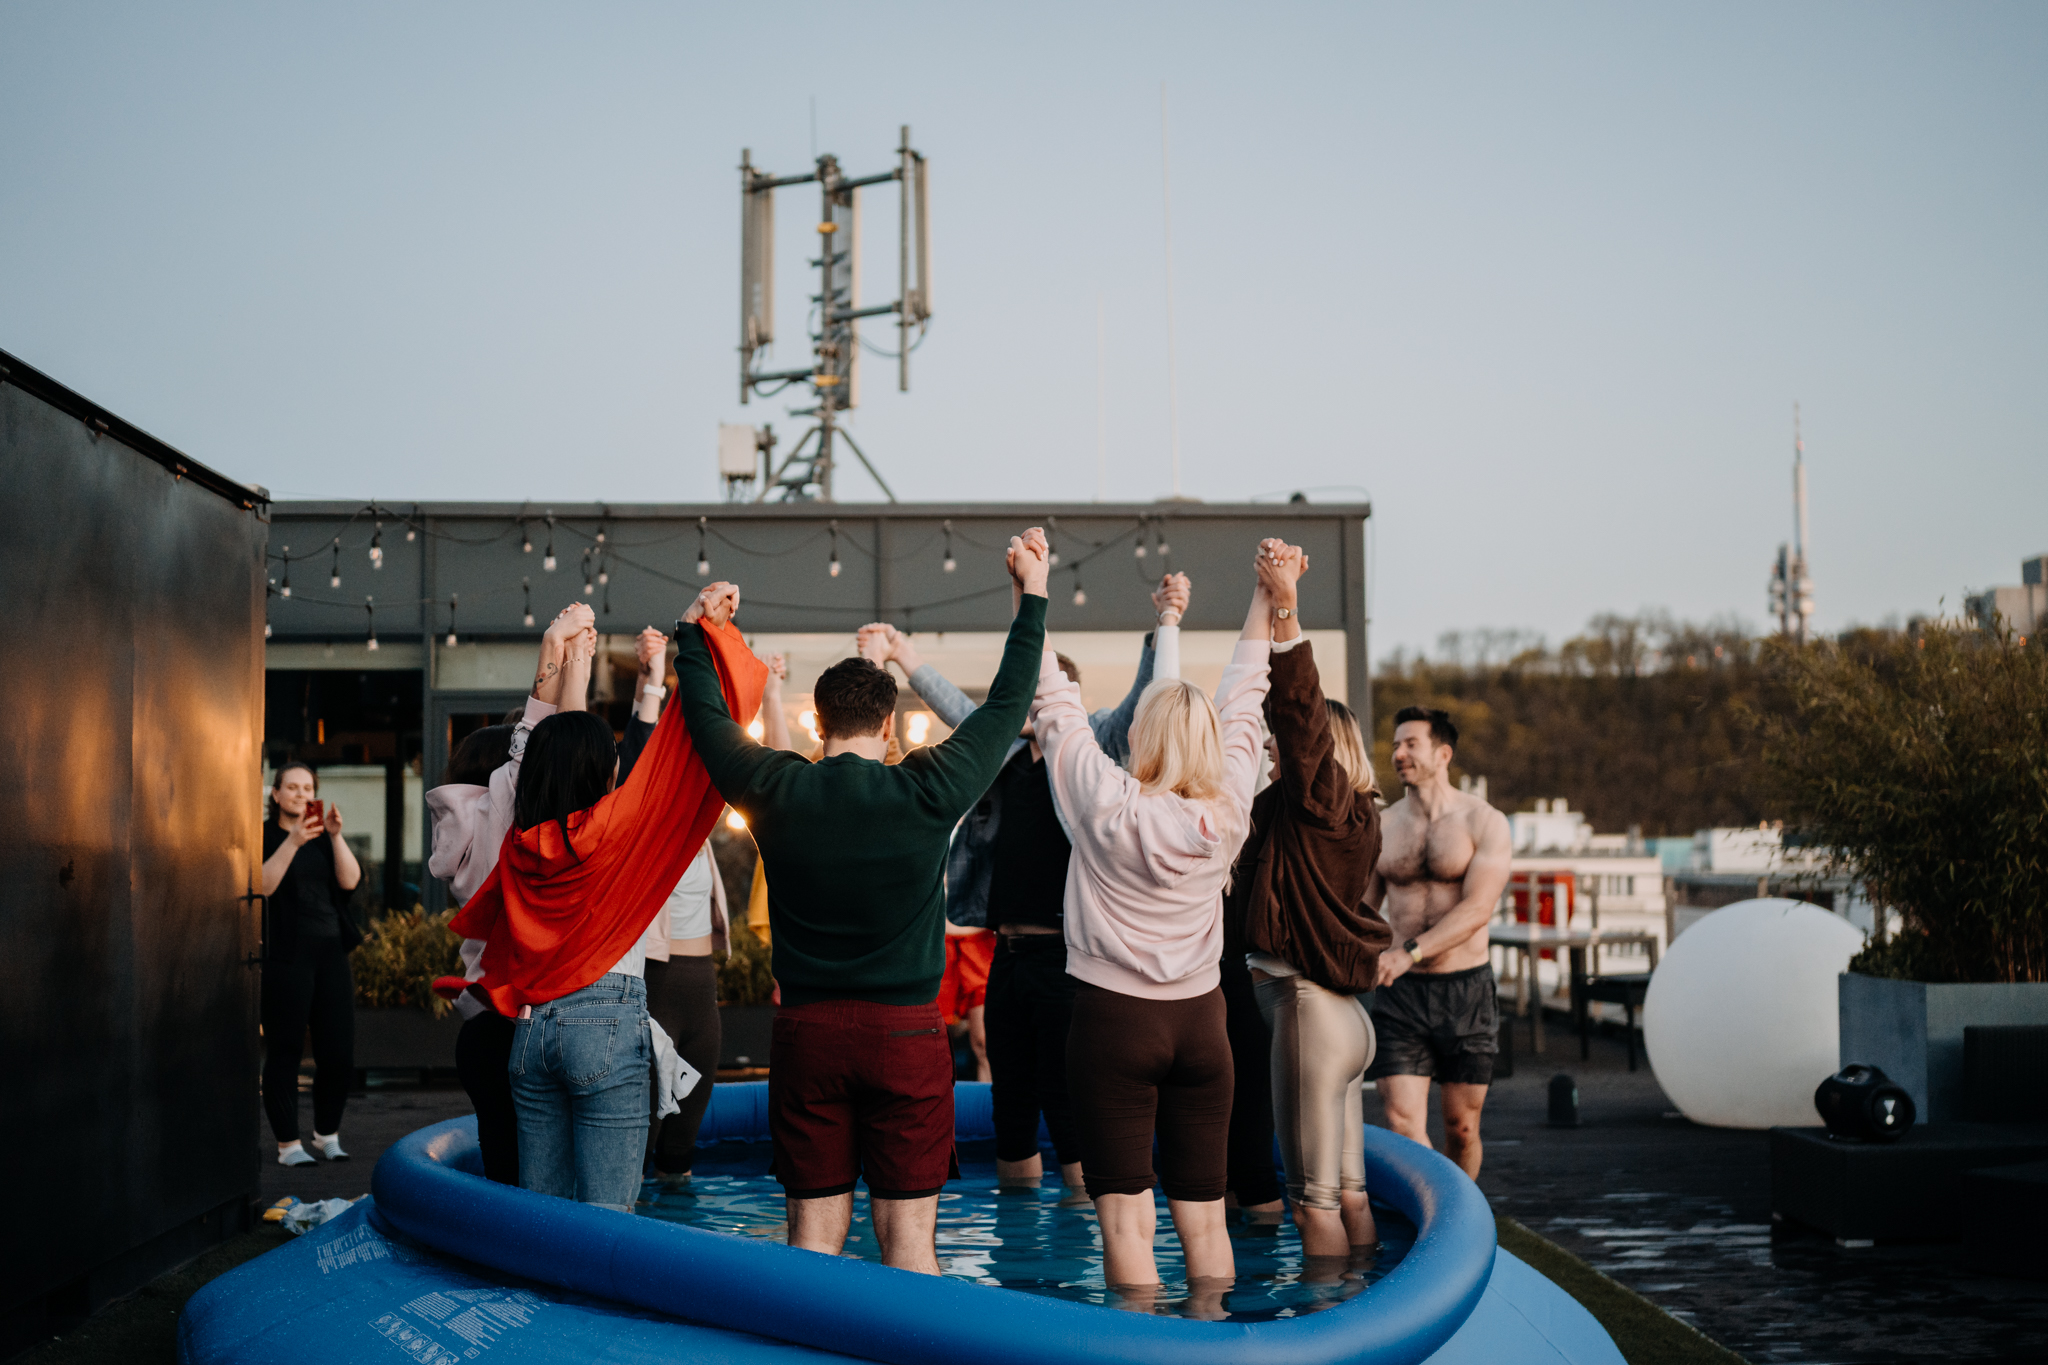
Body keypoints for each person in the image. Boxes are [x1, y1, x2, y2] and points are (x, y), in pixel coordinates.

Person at [669, 529, 1051, 1273]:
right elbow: (1008, 703)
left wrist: (694, 630)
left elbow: (707, 720)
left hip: (808, 1033)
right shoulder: (929, 785)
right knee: (909, 1244)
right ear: (887, 724)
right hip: (906, 1038)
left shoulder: (778, 786)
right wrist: (1030, 593)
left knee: (813, 1242)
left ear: (818, 723)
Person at [858, 571, 1189, 1197]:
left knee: (1068, 1099)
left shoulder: (1094, 752)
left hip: (1070, 957)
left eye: (1047, 695)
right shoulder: (1006, 752)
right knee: (1009, 1100)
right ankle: (1020, 1251)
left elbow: (1146, 696)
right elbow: (957, 708)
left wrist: (1163, 628)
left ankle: (1075, 1232)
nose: (1039, 708)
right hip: (1008, 953)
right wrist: (903, 656)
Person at [451, 593, 765, 1213]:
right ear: (603, 773)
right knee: (608, 1222)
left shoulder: (519, 844)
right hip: (604, 1024)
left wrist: (562, 660)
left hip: (533, 1034)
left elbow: (537, 752)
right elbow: (688, 750)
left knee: (544, 1215)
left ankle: (536, 1310)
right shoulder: (615, 836)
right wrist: (699, 635)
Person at [1032, 552, 1275, 1292]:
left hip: (1113, 1024)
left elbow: (1056, 706)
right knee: (1205, 1221)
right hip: (1206, 1025)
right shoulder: (1231, 808)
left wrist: (1033, 594)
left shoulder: (1106, 806)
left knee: (1127, 1224)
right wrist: (1266, 597)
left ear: (1142, 737)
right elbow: (1244, 695)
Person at [1227, 540, 1392, 1260]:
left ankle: (1330, 1324)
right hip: (1346, 1022)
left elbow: (1298, 715)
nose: (1270, 747)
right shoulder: (1350, 816)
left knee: (1311, 1203)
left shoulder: (1320, 797)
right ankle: (1367, 1303)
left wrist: (1285, 606)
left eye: (1279, 741)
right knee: (1348, 1192)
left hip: (1304, 1013)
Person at [426, 603, 596, 1184]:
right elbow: (546, 757)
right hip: (526, 1024)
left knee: (504, 1178)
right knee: (550, 1185)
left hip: (482, 1030)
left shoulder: (460, 834)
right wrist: (557, 656)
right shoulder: (507, 826)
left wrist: (575, 662)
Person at [1367, 705, 1512, 1180]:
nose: (1398, 753)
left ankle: (1460, 1219)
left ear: (1443, 753)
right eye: (1395, 745)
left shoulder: (1483, 821)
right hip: (1400, 997)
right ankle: (1436, 1224)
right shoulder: (1384, 826)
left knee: (1462, 1128)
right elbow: (1364, 910)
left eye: (1411, 744)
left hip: (1465, 991)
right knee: (1403, 1123)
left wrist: (1410, 952)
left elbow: (1477, 909)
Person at [259, 762, 364, 1165]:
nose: (301, 794)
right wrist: (293, 843)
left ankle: (326, 1135)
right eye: (293, 787)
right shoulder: (267, 836)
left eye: (308, 788)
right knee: (285, 1048)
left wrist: (335, 837)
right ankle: (288, 1145)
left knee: (338, 1052)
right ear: (276, 794)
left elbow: (349, 881)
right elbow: (263, 886)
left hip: (330, 951)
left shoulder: (322, 838)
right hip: (286, 953)